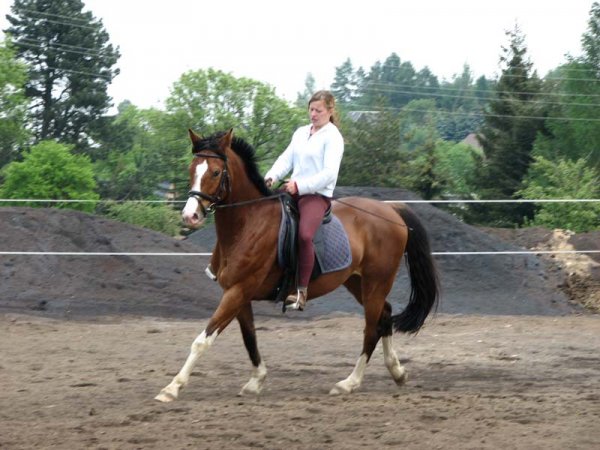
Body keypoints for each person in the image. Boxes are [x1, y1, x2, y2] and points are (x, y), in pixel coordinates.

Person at [264, 90, 344, 311]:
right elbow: (286, 159)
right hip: (293, 190)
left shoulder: (333, 137)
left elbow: (329, 174)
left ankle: (301, 291)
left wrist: (300, 186)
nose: (313, 114)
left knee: (305, 235)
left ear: (330, 111)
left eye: (318, 110)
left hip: (316, 195)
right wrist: (271, 176)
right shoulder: (301, 132)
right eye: (311, 109)